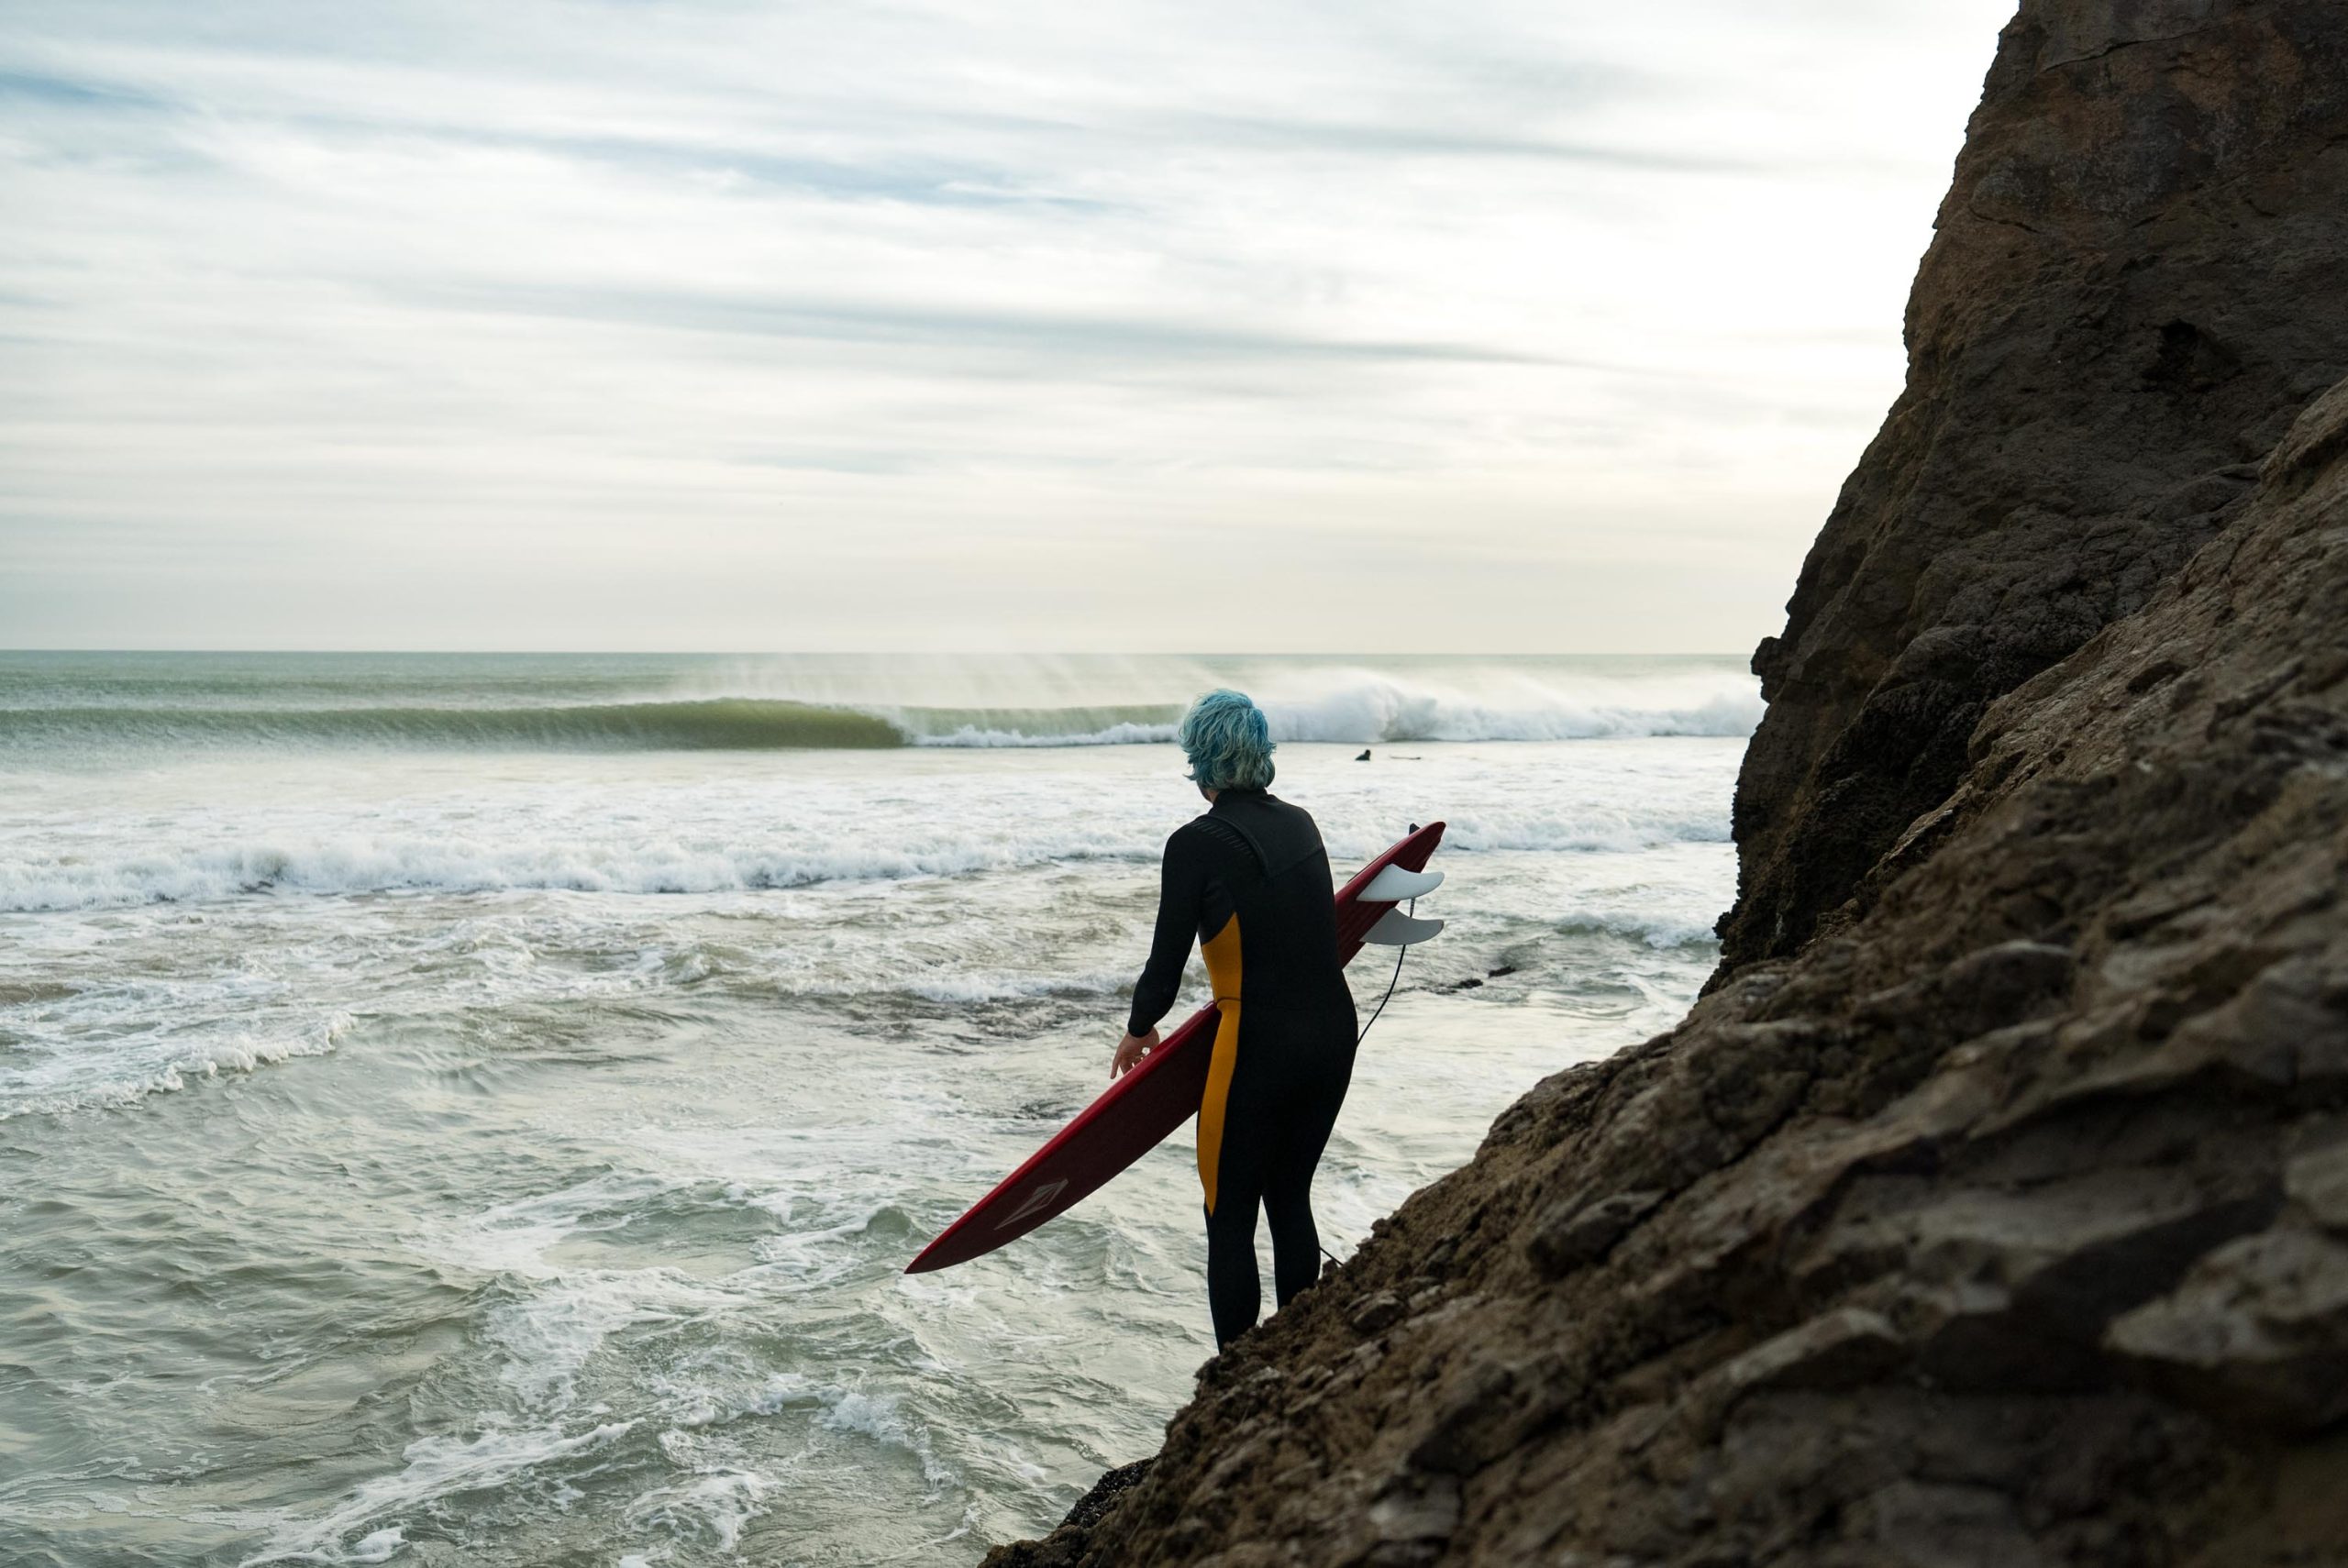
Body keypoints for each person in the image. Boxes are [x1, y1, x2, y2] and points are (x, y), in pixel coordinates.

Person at [1113, 689, 1357, 1348]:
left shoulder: (1195, 843)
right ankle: (1302, 1352)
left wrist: (1140, 1028)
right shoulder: (1302, 822)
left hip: (1259, 1044)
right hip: (1334, 1033)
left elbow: (1166, 963)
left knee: (1230, 1216)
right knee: (1289, 1196)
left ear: (1201, 759)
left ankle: (1237, 1381)